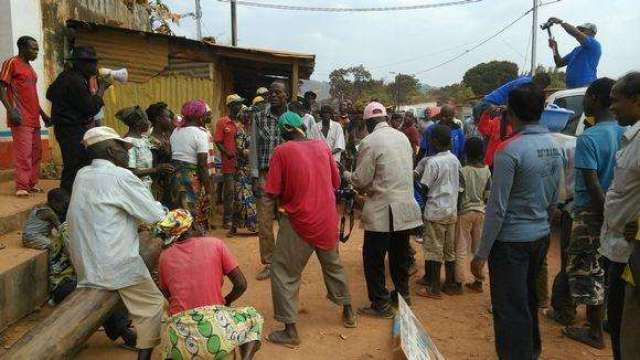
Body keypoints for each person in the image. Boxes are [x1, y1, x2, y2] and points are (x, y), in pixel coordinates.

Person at [471, 83, 563, 360]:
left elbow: (497, 209)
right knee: (528, 300)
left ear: (510, 113)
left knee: (510, 308)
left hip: (511, 242)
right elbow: (554, 197)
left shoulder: (509, 151)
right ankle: (531, 352)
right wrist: (542, 227)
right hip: (539, 236)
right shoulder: (553, 144)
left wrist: (480, 254)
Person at [66, 126, 167, 360]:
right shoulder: (120, 176)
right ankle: (144, 356)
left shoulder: (82, 174)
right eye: (123, 148)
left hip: (84, 265)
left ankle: (124, 332)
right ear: (111, 150)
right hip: (112, 266)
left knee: (128, 289)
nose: (126, 153)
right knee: (152, 305)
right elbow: (155, 215)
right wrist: (171, 214)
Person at [265, 111, 356, 345]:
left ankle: (290, 331)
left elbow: (273, 190)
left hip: (299, 220)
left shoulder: (281, 151)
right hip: (326, 218)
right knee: (333, 265)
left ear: (284, 131)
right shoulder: (323, 147)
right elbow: (335, 182)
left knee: (283, 270)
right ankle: (348, 311)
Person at [560, 78, 623, 350]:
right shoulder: (626, 132)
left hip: (592, 212)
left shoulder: (589, 137)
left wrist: (606, 215)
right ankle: (606, 321)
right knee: (610, 267)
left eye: (586, 96)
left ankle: (594, 331)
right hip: (619, 210)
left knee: (588, 269)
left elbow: (592, 182)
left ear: (596, 99)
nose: (584, 102)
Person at [346, 102, 422, 318]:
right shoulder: (402, 138)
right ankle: (402, 296)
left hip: (382, 209)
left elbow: (361, 180)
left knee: (374, 258)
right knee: (399, 256)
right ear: (385, 118)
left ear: (368, 122)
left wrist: (345, 176)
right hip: (405, 208)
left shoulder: (369, 142)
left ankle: (380, 304)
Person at [157, 209, 263, 359]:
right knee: (253, 317)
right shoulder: (216, 244)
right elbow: (241, 284)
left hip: (181, 341)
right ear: (192, 227)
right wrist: (227, 301)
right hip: (216, 331)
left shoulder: (164, 257)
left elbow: (167, 295)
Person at [600, 72, 640, 359]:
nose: (611, 106)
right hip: (616, 248)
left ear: (636, 100)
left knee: (627, 330)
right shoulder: (631, 137)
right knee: (617, 325)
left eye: (616, 101)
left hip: (631, 255)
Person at [46, 46, 108, 194]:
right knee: (75, 165)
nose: (95, 67)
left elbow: (50, 94)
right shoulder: (75, 81)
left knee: (74, 163)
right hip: (71, 128)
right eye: (91, 63)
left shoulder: (67, 76)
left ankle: (68, 197)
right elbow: (91, 108)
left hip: (66, 127)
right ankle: (66, 198)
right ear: (81, 64)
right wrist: (102, 89)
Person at [415, 125, 462, 298]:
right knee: (449, 250)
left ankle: (433, 288)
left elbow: (424, 187)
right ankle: (450, 284)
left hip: (435, 211)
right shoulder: (454, 159)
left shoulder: (433, 162)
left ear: (433, 142)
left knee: (433, 249)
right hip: (451, 210)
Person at [0, 36, 50, 197]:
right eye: (33, 48)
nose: (36, 52)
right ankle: (21, 185)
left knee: (37, 151)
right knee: (24, 152)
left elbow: (32, 95)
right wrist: (10, 110)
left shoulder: (30, 69)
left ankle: (31, 183)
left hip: (34, 117)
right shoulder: (12, 63)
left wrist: (43, 115)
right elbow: (1, 87)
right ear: (22, 47)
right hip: (20, 117)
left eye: (37, 49)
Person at [253, 80, 287, 281]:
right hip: (266, 175)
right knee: (264, 222)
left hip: (286, 177)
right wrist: (254, 176)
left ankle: (284, 261)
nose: (273, 95)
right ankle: (269, 262)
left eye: (278, 92)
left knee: (286, 220)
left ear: (286, 96)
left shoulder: (293, 118)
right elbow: (255, 148)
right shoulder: (259, 118)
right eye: (271, 93)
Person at [455, 137, 491, 293]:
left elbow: (459, 194)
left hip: (465, 212)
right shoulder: (487, 170)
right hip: (481, 212)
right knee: (478, 249)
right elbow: (487, 195)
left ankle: (458, 281)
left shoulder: (463, 171)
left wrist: (456, 211)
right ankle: (478, 280)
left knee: (461, 247)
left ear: (467, 152)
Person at [170, 100, 212, 230]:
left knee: (179, 214)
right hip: (191, 178)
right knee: (193, 213)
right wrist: (209, 190)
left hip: (175, 177)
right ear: (199, 116)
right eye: (204, 114)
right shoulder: (200, 134)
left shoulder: (175, 132)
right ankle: (194, 243)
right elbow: (202, 165)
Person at [116, 106, 173, 190]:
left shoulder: (144, 139)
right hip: (136, 188)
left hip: (146, 186)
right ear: (137, 124)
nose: (149, 123)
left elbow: (160, 149)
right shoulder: (129, 143)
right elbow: (131, 172)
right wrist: (156, 169)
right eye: (145, 120)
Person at [228, 104, 258, 237]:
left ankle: (253, 226)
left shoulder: (256, 130)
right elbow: (239, 150)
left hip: (253, 169)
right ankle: (234, 227)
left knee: (253, 198)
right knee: (239, 198)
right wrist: (253, 153)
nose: (247, 116)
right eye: (245, 114)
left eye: (249, 114)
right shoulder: (240, 131)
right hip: (241, 169)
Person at [472, 74, 551, 122]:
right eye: (543, 87)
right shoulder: (525, 84)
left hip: (491, 105)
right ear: (540, 83)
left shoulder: (528, 83)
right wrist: (508, 107)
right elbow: (512, 96)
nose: (542, 89)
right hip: (489, 105)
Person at [547, 19, 601, 89]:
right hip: (571, 88)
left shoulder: (594, 44)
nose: (580, 31)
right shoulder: (577, 49)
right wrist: (554, 48)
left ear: (592, 32)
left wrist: (560, 22)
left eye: (582, 30)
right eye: (579, 30)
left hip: (586, 86)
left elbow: (576, 33)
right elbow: (559, 63)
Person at [214, 94, 243, 228]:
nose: (240, 106)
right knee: (229, 192)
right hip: (228, 163)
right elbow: (218, 141)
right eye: (237, 104)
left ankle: (239, 219)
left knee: (241, 191)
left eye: (240, 103)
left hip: (242, 164)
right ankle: (227, 219)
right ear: (230, 106)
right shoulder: (222, 122)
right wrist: (227, 152)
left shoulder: (242, 121)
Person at [146, 102, 175, 206]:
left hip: (169, 187)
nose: (170, 120)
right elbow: (150, 167)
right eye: (168, 117)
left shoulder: (167, 137)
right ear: (158, 119)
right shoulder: (150, 141)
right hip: (157, 190)